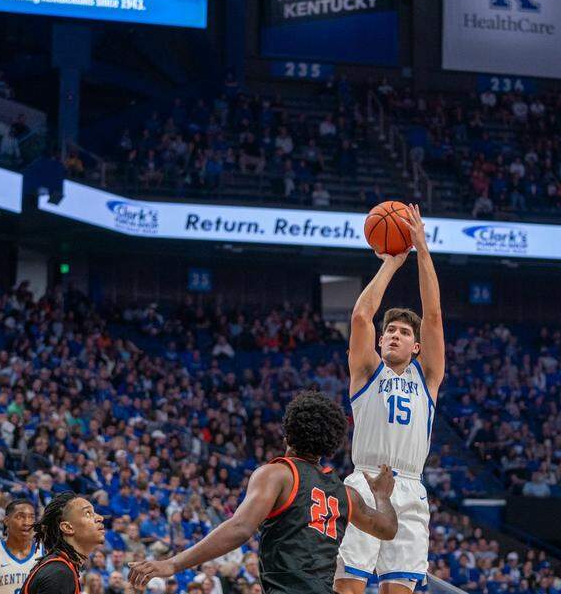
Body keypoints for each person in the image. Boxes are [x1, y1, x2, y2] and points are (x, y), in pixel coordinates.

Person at [127, 391, 398, 594]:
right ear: (331, 445)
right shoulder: (346, 494)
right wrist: (383, 496)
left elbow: (241, 528)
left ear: (287, 434)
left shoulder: (278, 474)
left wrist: (172, 564)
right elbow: (387, 528)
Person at [337, 204, 445, 594]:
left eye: (403, 332)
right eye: (390, 331)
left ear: (416, 346)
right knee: (347, 587)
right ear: (381, 341)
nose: (395, 335)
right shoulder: (367, 372)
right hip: (365, 480)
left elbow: (432, 316)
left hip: (410, 488)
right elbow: (361, 317)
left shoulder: (427, 376)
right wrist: (392, 263)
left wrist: (421, 248)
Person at [20, 493, 107, 594]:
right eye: (88, 513)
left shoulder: (61, 567)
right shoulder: (59, 573)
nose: (100, 517)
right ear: (68, 528)